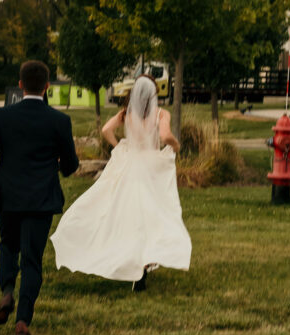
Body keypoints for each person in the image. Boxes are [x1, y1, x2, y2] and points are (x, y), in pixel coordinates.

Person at [51, 74, 191, 291]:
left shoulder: (126, 114)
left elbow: (106, 130)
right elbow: (165, 136)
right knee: (152, 214)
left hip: (130, 166)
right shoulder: (161, 113)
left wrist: (119, 145)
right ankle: (142, 264)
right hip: (150, 168)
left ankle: (132, 261)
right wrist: (176, 145)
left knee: (124, 213)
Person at [0, 59, 79, 335]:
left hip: (9, 196)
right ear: (47, 87)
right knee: (32, 260)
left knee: (8, 247)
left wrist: (2, 178)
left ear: (20, 85)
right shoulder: (59, 121)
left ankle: (7, 292)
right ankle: (23, 320)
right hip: (41, 199)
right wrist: (56, 168)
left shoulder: (1, 116)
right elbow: (71, 165)